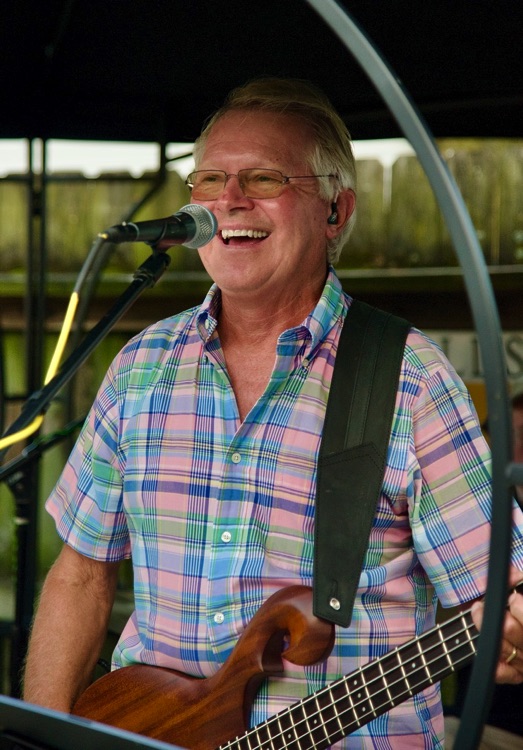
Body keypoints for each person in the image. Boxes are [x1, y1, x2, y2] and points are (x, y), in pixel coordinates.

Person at [22, 78, 523, 748]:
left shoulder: (410, 379)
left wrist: (509, 635)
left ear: (335, 210)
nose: (229, 199)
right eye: (209, 179)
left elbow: (501, 595)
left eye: (263, 178)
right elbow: (82, 573)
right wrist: (42, 739)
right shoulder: (141, 367)